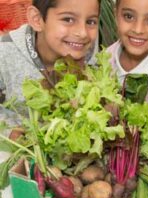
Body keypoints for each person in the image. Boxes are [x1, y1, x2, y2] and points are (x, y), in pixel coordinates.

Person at [0, 0, 100, 137]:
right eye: (68, 19)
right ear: (37, 19)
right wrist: (9, 131)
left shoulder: (93, 57)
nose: (82, 33)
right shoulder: (5, 52)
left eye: (91, 22)